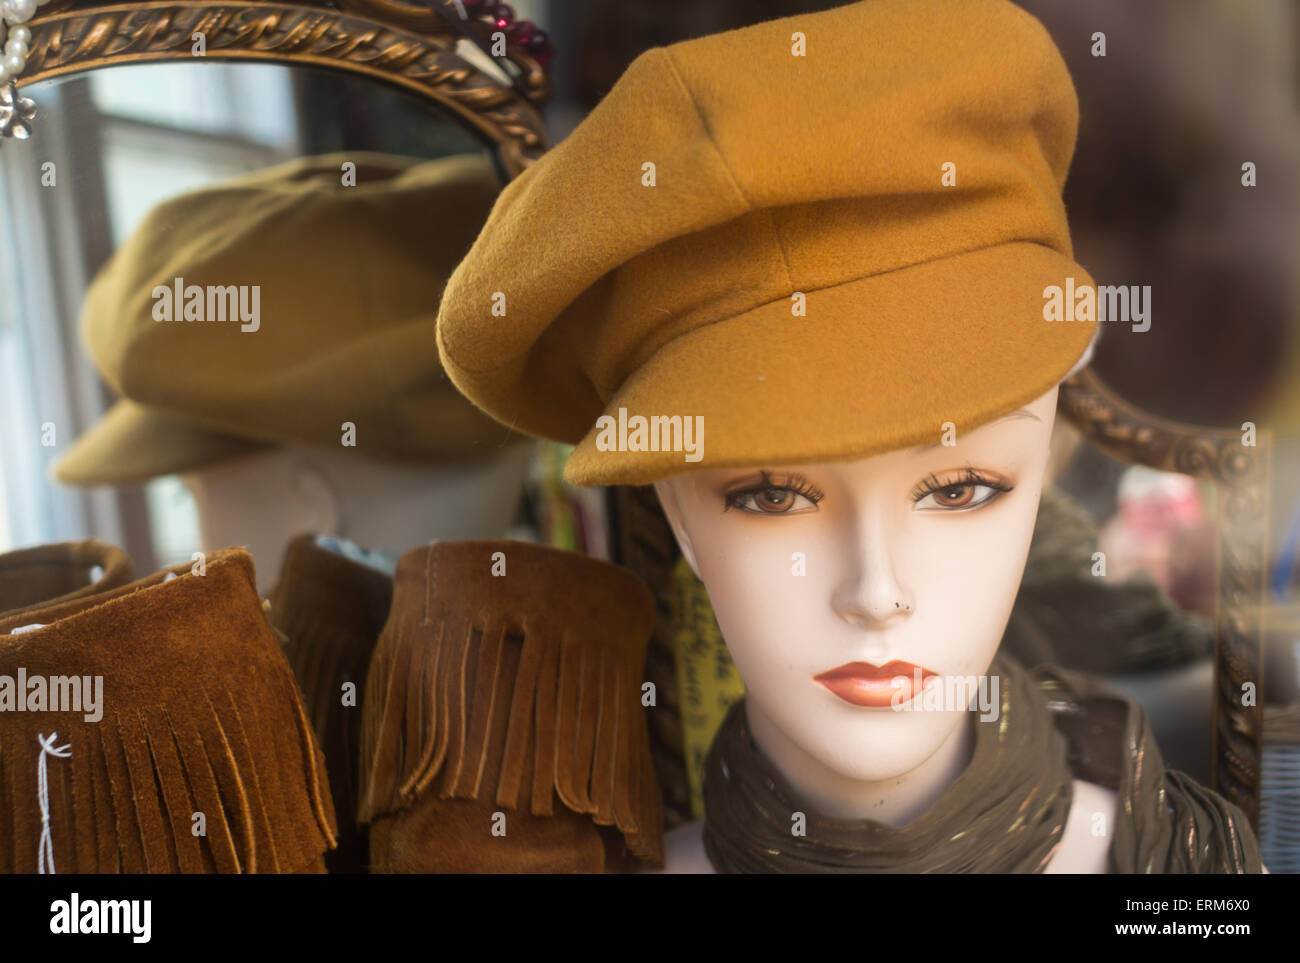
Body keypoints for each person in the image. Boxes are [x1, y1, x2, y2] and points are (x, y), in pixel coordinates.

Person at [434, 0, 1263, 872]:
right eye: (772, 495)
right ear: (678, 515)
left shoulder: (1183, 869)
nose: (876, 591)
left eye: (960, 488)